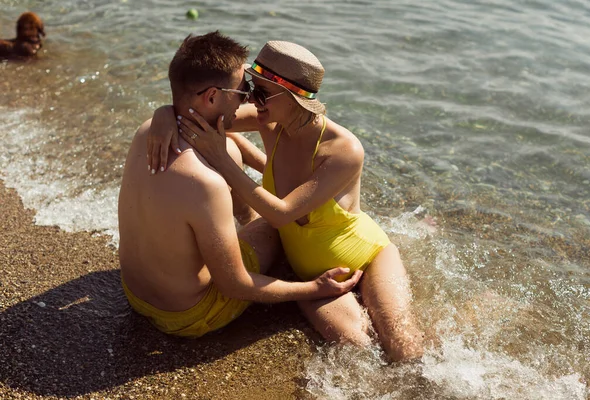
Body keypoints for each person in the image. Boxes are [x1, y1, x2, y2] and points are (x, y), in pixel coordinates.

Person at [147, 40, 424, 361]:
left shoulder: (343, 149)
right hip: (312, 276)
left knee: (401, 344)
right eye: (250, 89)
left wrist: (223, 160)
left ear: (293, 98)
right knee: (357, 348)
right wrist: (163, 114)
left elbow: (282, 214)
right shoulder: (269, 119)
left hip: (369, 255)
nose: (250, 99)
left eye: (261, 93)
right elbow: (199, 112)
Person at [118, 32, 362, 339]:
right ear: (211, 97)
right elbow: (234, 285)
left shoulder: (147, 132)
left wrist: (164, 112)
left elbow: (210, 127)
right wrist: (312, 289)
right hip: (189, 315)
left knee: (228, 146)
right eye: (243, 89)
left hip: (136, 294)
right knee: (277, 229)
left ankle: (235, 228)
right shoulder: (205, 185)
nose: (248, 98)